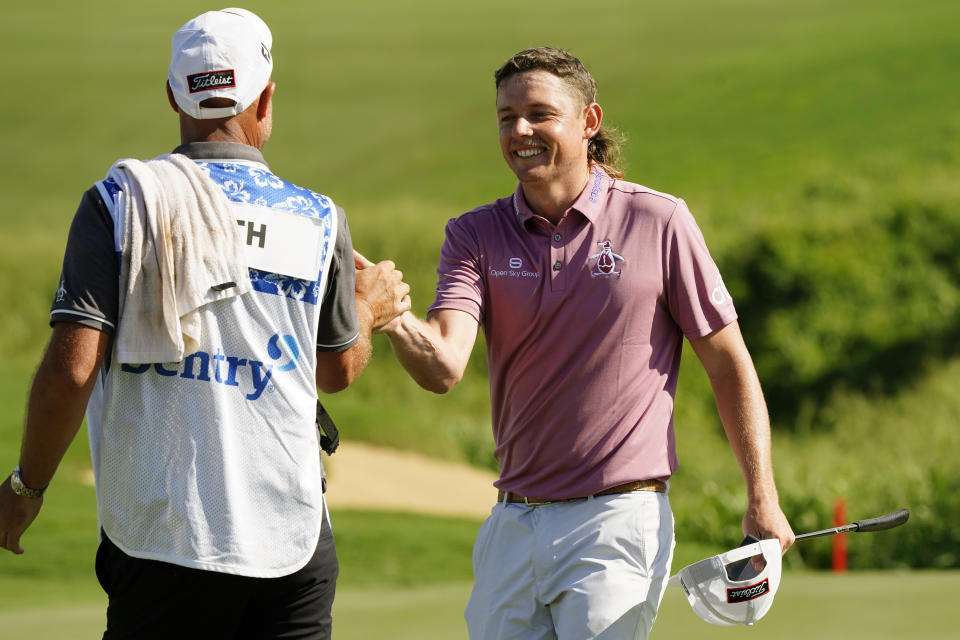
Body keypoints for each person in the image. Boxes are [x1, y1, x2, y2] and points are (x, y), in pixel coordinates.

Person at [0, 8, 409, 640]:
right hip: (289, 540)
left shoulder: (120, 202)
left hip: (162, 535)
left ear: (172, 94)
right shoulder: (318, 218)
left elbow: (73, 367)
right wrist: (371, 309)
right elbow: (338, 369)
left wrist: (27, 488)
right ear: (265, 98)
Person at [377, 46, 795, 639]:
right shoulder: (473, 234)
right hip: (512, 523)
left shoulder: (659, 221)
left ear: (588, 122)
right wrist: (393, 316)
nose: (519, 130)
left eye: (539, 114)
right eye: (505, 117)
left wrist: (763, 495)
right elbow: (443, 365)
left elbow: (729, 363)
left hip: (618, 518)